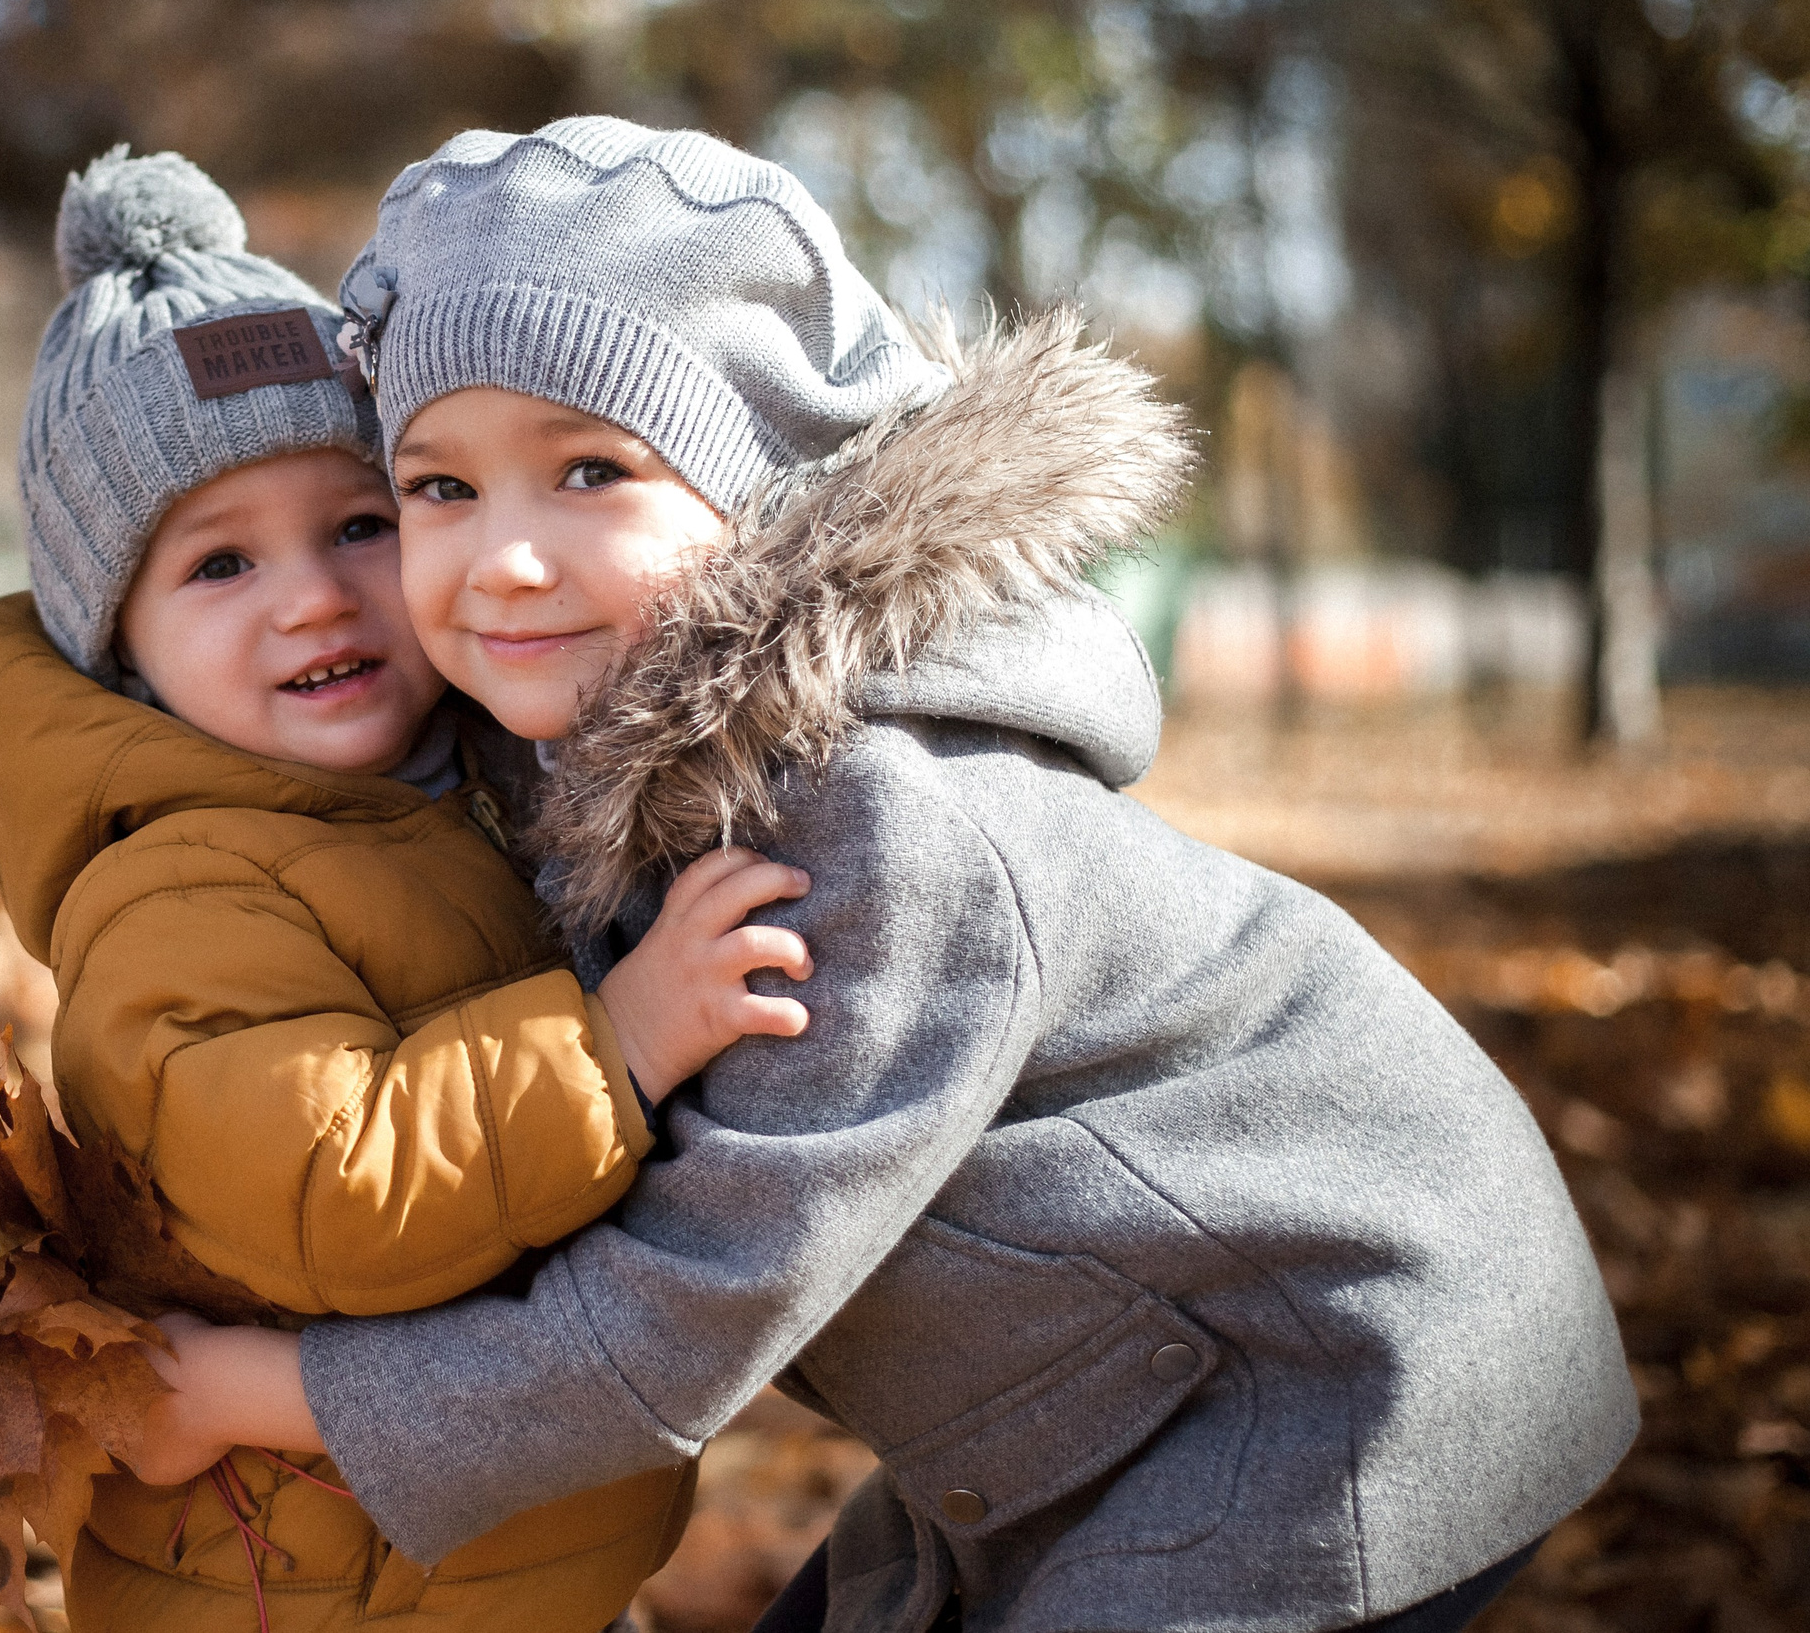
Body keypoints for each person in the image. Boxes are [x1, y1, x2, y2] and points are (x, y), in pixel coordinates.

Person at [116, 118, 1641, 1633]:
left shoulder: (872, 819)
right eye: (439, 489)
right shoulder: (558, 743)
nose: (501, 559)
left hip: (1332, 1361)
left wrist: (259, 1393)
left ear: (760, 490)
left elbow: (689, 1309)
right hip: (1081, 1372)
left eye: (590, 469)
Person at [0, 146, 816, 1633]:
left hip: (457, 1557)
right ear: (120, 650)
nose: (314, 596)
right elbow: (334, 1190)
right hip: (310, 1587)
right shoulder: (180, 889)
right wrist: (618, 1043)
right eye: (219, 566)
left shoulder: (444, 790)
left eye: (360, 524)